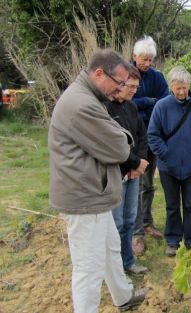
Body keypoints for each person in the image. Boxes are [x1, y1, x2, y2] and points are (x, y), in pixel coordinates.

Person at [48, 49, 147, 312]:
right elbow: (119, 146)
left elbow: (117, 135)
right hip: (85, 196)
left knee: (110, 249)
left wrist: (119, 135)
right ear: (100, 73)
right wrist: (124, 141)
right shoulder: (81, 104)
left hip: (95, 192)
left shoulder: (88, 97)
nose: (121, 90)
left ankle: (123, 297)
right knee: (88, 269)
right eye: (119, 83)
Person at [148, 66, 191, 257]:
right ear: (171, 86)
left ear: (189, 86)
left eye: (185, 87)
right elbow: (153, 135)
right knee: (172, 205)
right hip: (168, 167)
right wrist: (165, 154)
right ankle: (173, 240)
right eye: (178, 88)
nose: (182, 92)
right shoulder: (162, 106)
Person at [105, 65, 149, 275]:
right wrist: (132, 164)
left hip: (133, 174)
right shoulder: (104, 108)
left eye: (136, 87)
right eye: (130, 86)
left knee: (130, 220)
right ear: (119, 83)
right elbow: (111, 146)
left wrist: (138, 163)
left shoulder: (131, 108)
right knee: (116, 223)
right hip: (115, 175)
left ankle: (128, 261)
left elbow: (141, 136)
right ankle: (114, 268)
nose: (134, 91)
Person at [131, 35, 169, 255]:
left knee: (148, 183)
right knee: (134, 184)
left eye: (150, 59)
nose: (147, 63)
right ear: (135, 56)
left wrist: (145, 104)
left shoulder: (157, 77)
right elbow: (126, 101)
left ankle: (147, 222)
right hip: (132, 138)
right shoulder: (125, 73)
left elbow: (164, 102)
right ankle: (136, 233)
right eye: (143, 59)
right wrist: (147, 102)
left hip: (152, 135)